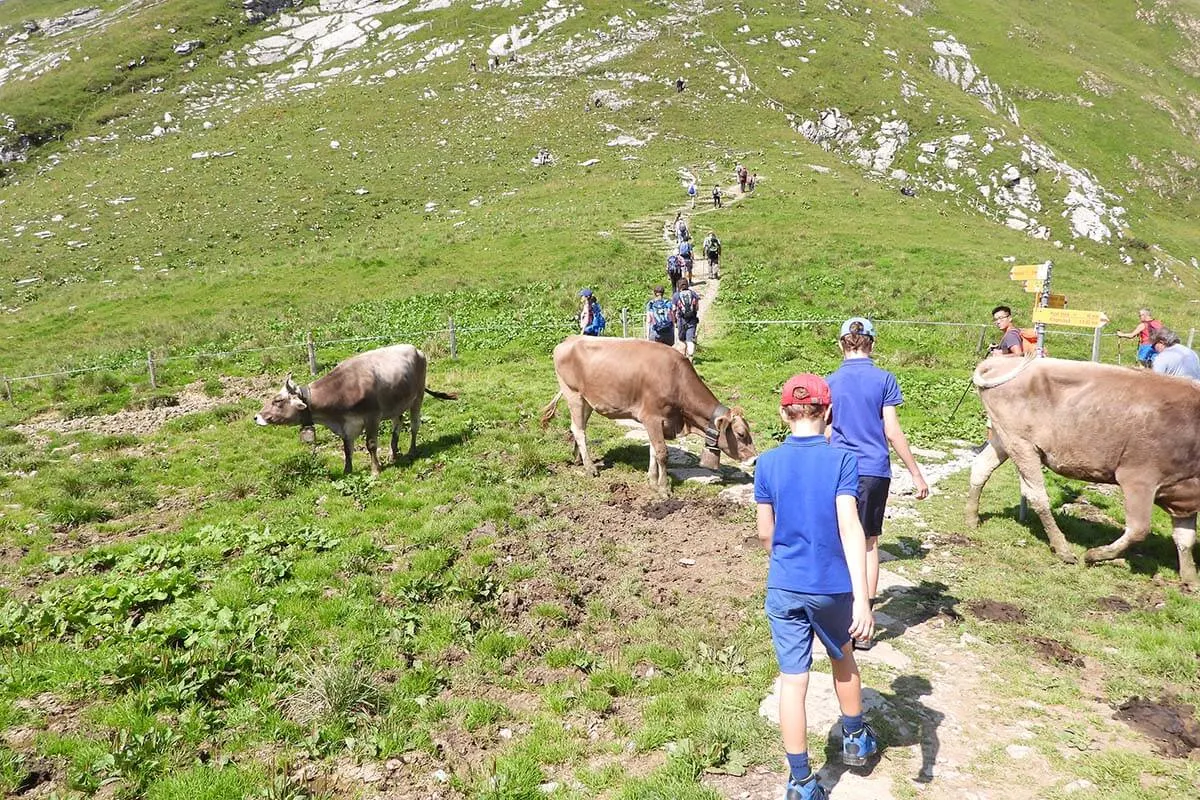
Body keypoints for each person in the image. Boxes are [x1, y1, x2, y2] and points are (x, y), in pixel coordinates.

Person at [755, 373, 877, 800]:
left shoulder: (767, 463)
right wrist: (863, 599)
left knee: (793, 681)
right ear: (828, 412)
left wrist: (785, 564)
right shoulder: (842, 460)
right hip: (832, 587)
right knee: (843, 657)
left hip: (784, 587)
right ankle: (855, 738)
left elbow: (765, 533)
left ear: (783, 413)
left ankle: (801, 781)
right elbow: (850, 526)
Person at [826, 317, 929, 649]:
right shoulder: (884, 379)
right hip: (873, 471)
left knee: (840, 541)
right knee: (869, 544)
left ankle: (839, 617)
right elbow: (892, 430)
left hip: (838, 469)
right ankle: (865, 625)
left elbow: (826, 430)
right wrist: (915, 471)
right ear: (871, 342)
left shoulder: (830, 382)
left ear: (842, 343)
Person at [672, 278, 700, 361]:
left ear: (678, 286)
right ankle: (690, 357)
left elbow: (673, 309)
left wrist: (675, 320)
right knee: (690, 339)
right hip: (692, 320)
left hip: (681, 320)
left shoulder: (676, 295)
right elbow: (697, 307)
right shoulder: (693, 293)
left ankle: (682, 357)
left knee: (681, 339)